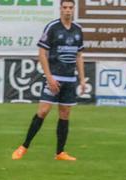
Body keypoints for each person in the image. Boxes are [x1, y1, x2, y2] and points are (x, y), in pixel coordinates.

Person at [12, 0, 84, 162]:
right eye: (65, 7)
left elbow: (79, 56)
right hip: (54, 78)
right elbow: (42, 53)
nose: (67, 10)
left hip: (69, 79)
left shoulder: (78, 29)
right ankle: (23, 146)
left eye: (70, 8)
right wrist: (49, 77)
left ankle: (60, 153)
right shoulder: (52, 27)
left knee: (65, 114)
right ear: (60, 9)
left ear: (74, 9)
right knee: (43, 111)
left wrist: (82, 79)